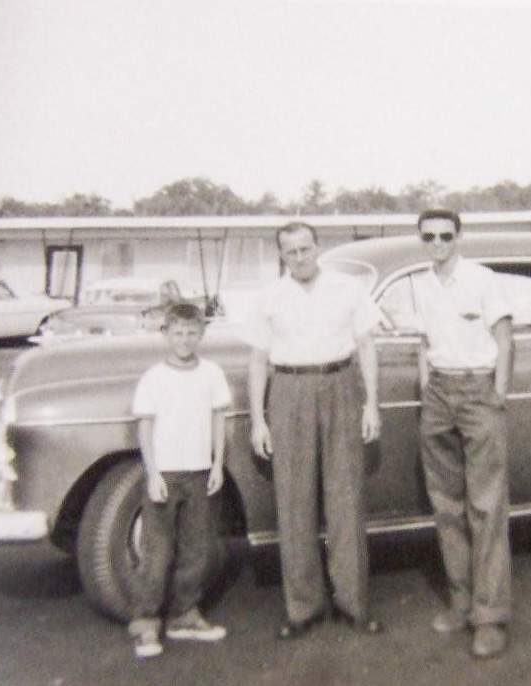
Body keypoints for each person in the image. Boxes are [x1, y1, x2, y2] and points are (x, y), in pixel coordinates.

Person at [246, 221, 384, 640]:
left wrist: (371, 404)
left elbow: (365, 347)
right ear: (282, 256)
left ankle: (353, 605)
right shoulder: (268, 298)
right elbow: (257, 360)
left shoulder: (347, 289)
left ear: (317, 248)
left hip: (340, 385)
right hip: (288, 390)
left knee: (345, 499)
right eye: (291, 252)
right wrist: (258, 419)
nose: (300, 257)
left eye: (306, 249)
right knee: (294, 501)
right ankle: (302, 608)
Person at [413, 209, 514, 659]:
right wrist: (424, 381)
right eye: (429, 237)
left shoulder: (483, 279)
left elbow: (506, 338)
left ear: (458, 237)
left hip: (478, 390)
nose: (438, 244)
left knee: (486, 505)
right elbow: (423, 340)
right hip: (438, 393)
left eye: (445, 236)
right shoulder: (423, 283)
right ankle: (461, 601)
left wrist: (498, 394)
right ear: (422, 240)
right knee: (446, 504)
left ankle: (490, 617)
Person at [128, 303, 233, 659]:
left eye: (191, 333)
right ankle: (146, 624)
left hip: (201, 472)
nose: (184, 340)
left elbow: (220, 418)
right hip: (166, 476)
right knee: (157, 553)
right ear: (165, 335)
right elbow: (145, 427)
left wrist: (218, 464)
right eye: (177, 333)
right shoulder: (154, 377)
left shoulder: (212, 373)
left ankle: (184, 616)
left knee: (197, 550)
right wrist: (153, 472)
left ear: (201, 335)